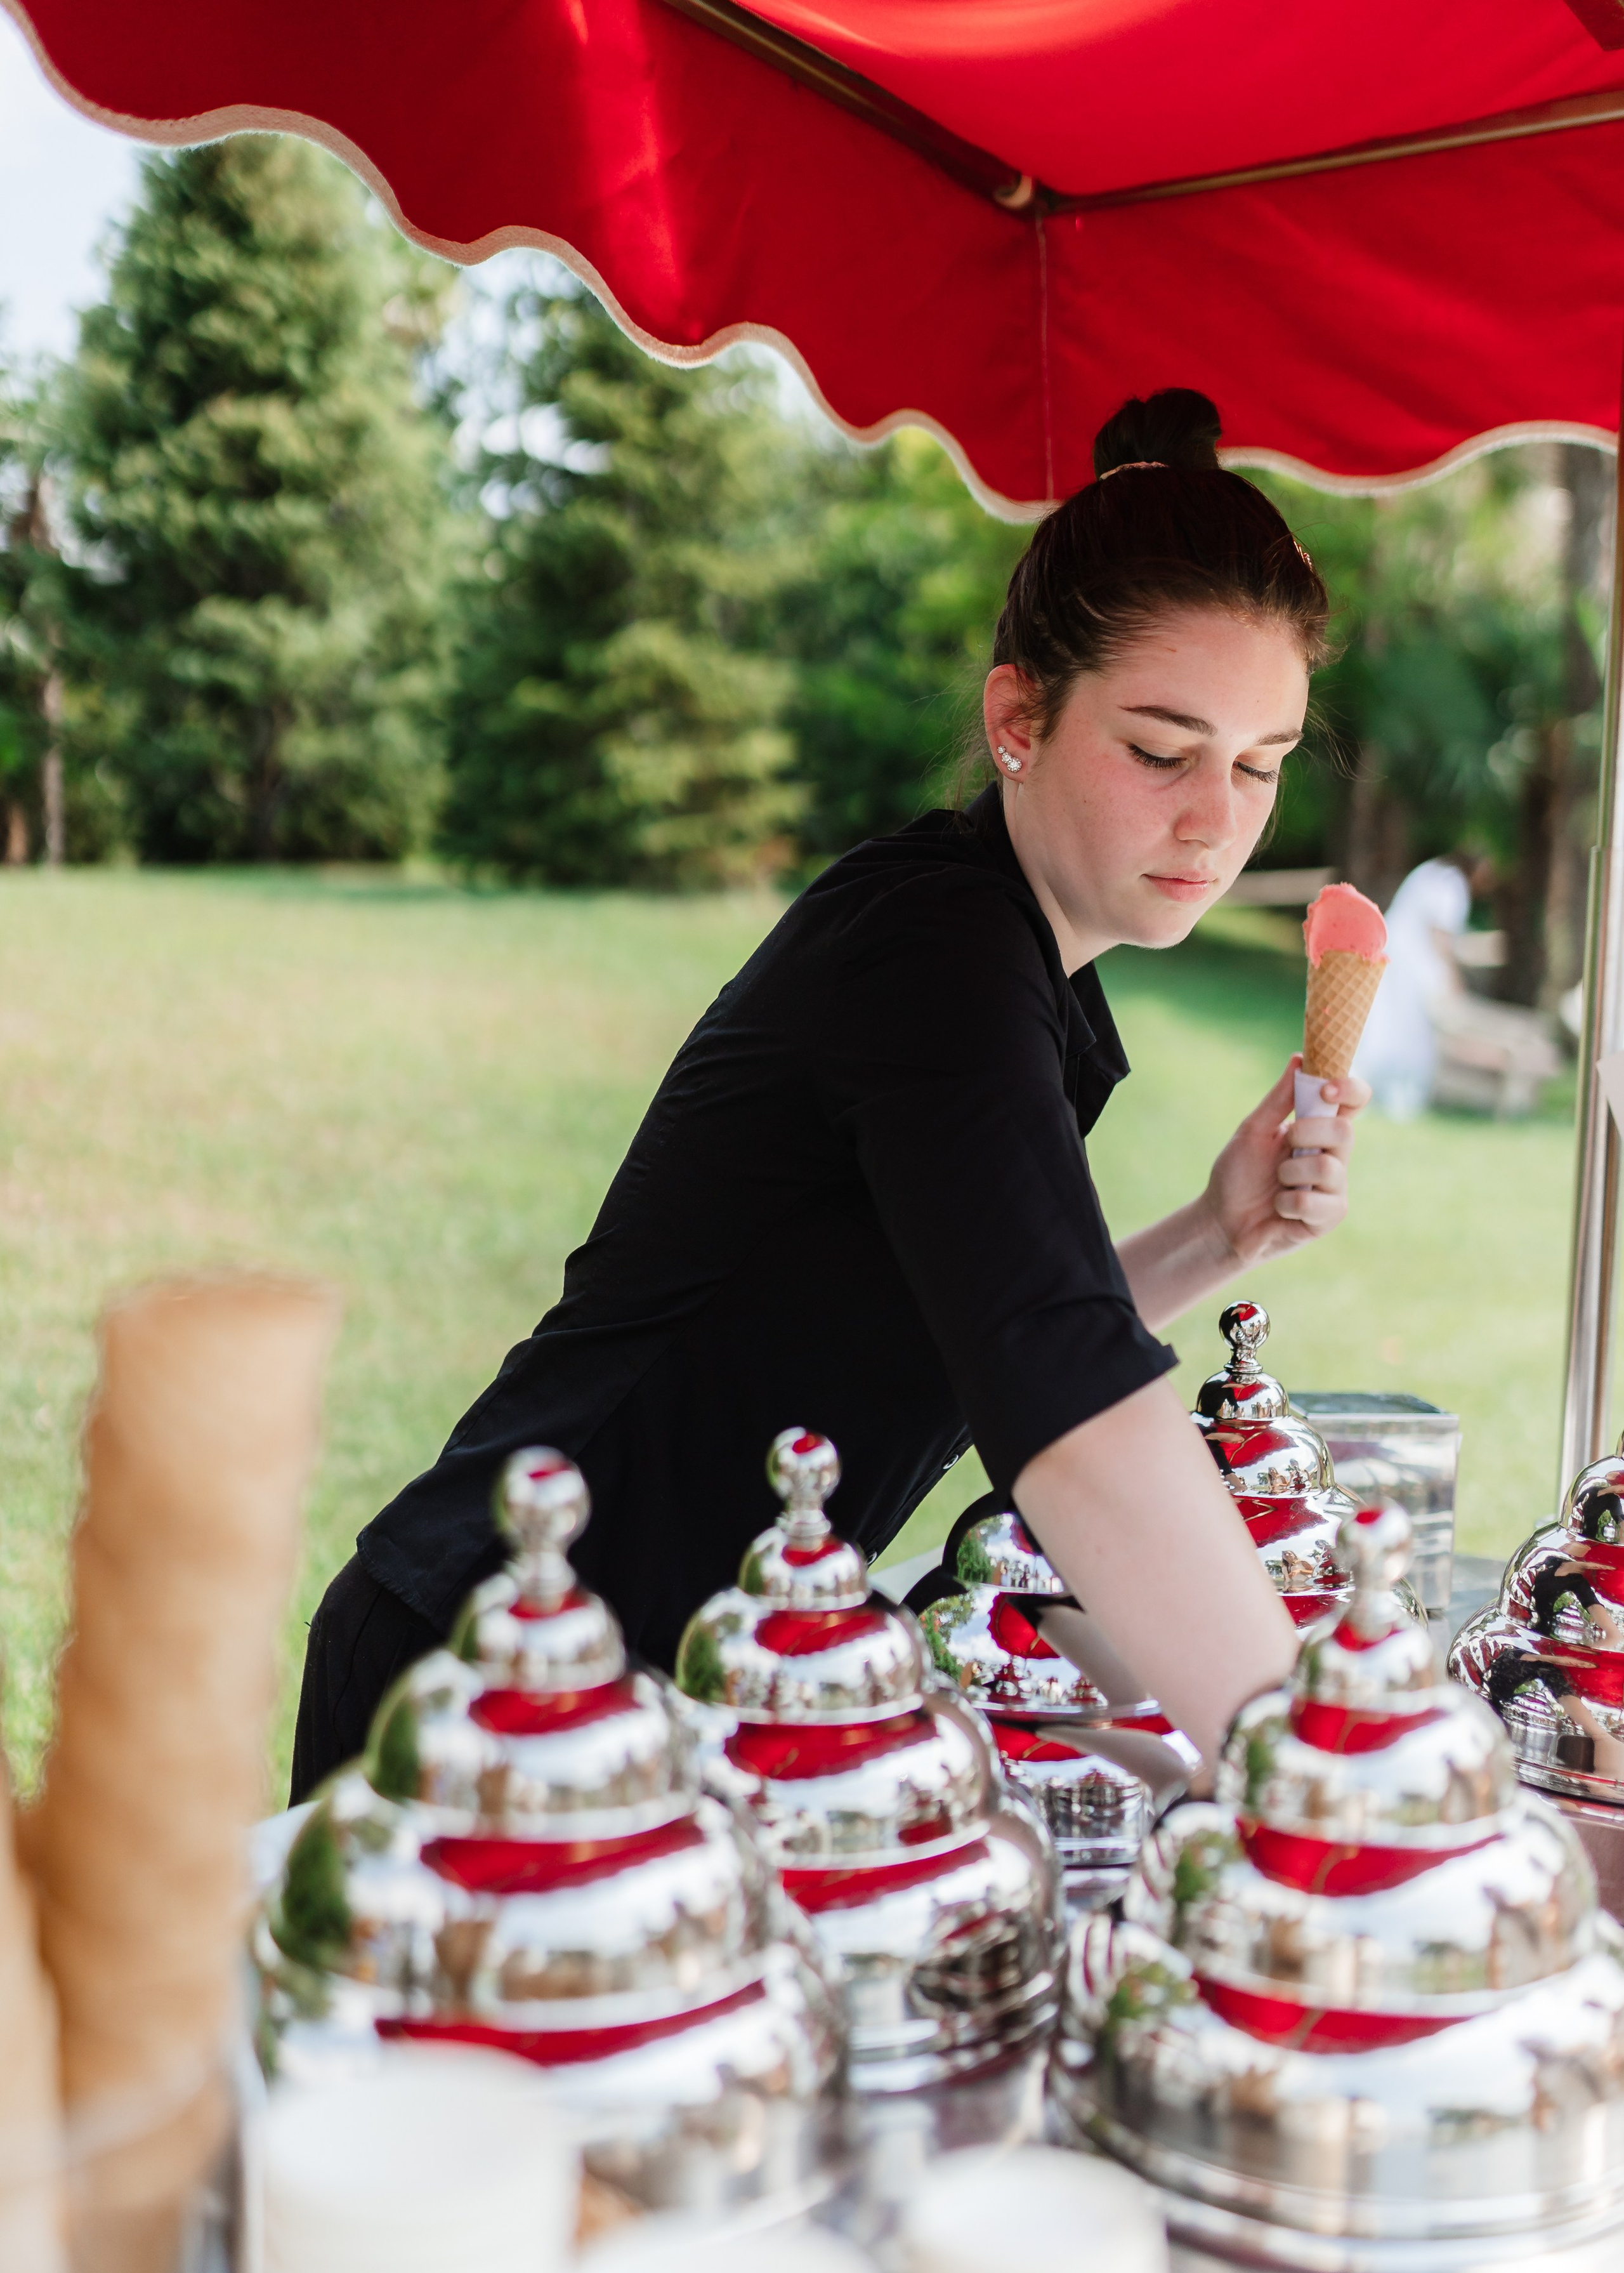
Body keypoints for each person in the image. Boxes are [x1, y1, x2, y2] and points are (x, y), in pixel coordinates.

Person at [290, 386, 1369, 1804]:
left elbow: (968, 1336)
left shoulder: (1019, 963)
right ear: (1016, 717)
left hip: (658, 1685)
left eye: (1258, 765)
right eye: (1161, 751)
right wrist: (1330, 1787)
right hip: (498, 1674)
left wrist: (1212, 1238)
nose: (1214, 819)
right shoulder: (934, 950)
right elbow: (1068, 1413)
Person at [1354, 853, 1477, 1119]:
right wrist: (1454, 980)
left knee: (1383, 1019)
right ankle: (1400, 1095)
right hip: (1412, 963)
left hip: (1393, 952)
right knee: (1413, 1029)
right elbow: (1440, 936)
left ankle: (1366, 1088)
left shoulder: (1429, 871)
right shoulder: (1452, 882)